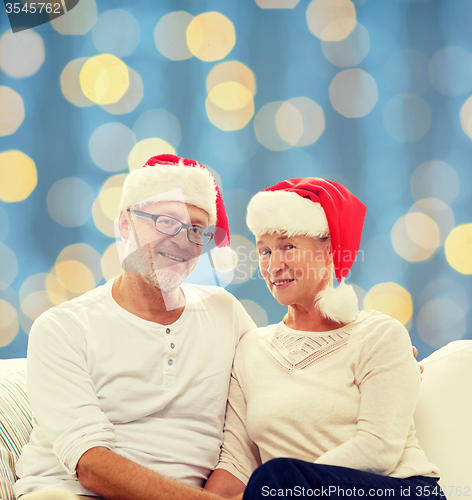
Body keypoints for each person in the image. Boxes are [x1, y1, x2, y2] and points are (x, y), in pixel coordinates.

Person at [14, 154, 255, 500]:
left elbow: (242, 440)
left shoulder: (226, 313)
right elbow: (91, 466)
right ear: (125, 225)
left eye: (197, 229)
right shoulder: (62, 327)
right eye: (167, 221)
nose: (183, 240)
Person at [205, 178, 443, 499]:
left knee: (277, 476)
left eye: (289, 246)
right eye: (264, 250)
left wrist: (288, 488)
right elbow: (236, 463)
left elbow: (378, 449)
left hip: (399, 489)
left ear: (329, 251)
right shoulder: (250, 348)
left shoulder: (380, 335)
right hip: (285, 490)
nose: (274, 265)